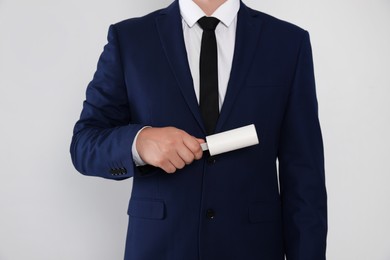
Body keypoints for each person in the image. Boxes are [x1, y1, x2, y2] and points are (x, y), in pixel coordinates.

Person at [70, 0, 327, 259]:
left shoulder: (288, 43)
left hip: (252, 248)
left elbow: (305, 179)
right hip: (160, 248)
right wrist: (139, 142)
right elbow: (84, 143)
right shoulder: (130, 39)